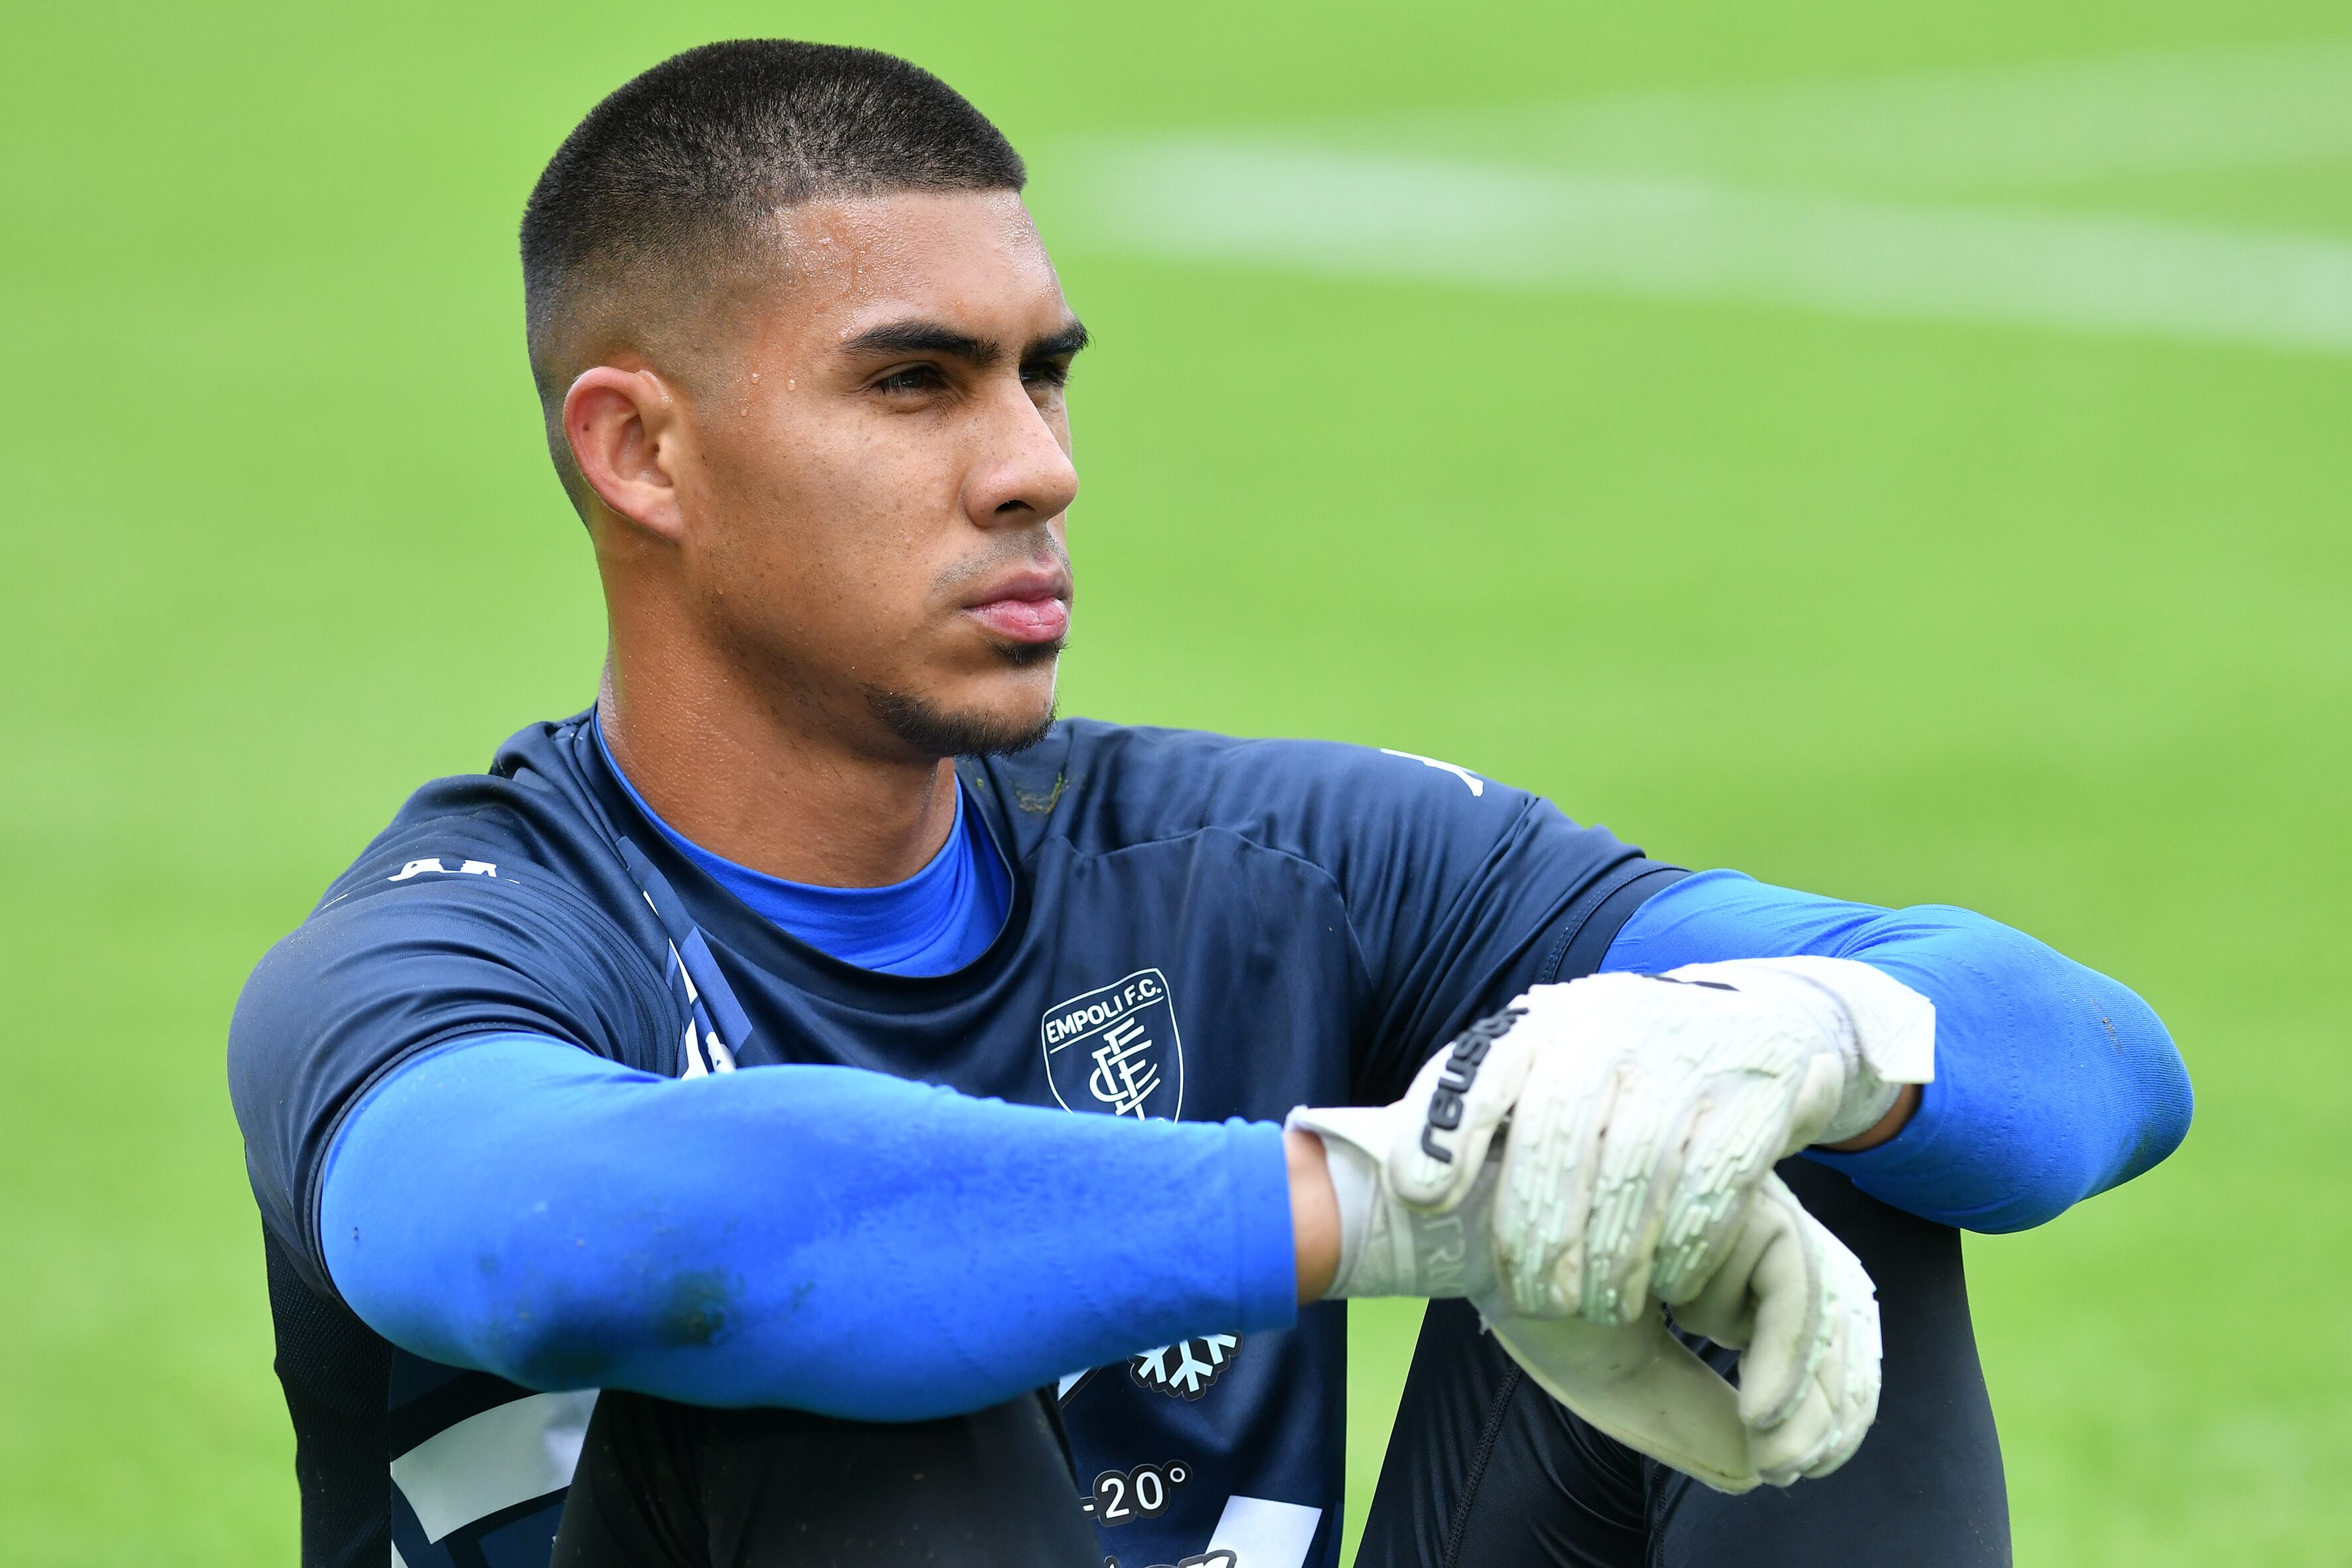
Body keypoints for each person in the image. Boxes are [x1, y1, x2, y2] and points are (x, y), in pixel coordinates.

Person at [226, 40, 2192, 1568]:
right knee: (847, 1323)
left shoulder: (1260, 865)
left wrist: (1808, 1038)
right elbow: (598, 1242)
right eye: (916, 384)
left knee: (1794, 1138)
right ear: (639, 451)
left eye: (1044, 377)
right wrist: (1393, 1204)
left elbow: (2096, 1062)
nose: (1034, 468)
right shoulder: (452, 942)